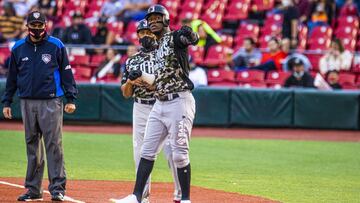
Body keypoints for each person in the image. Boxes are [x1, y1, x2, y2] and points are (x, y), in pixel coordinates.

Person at [112, 4, 199, 203]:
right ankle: (136, 196)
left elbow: (189, 40)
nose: (153, 22)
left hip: (179, 100)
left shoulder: (174, 37)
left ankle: (184, 199)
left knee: (178, 154)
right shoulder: (157, 46)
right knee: (147, 151)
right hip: (159, 103)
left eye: (156, 18)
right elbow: (159, 79)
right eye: (150, 19)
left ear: (166, 19)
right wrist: (140, 75)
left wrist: (191, 35)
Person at [1, 11, 77, 201]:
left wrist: (71, 98)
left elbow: (66, 72)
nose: (36, 28)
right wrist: (7, 101)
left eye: (39, 25)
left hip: (51, 100)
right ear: (27, 26)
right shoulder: (18, 48)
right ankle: (33, 190)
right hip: (27, 100)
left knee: (53, 144)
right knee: (32, 145)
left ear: (45, 26)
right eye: (33, 25)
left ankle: (57, 188)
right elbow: (12, 77)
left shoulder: (56, 45)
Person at [117, 20, 182, 203]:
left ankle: (180, 194)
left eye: (149, 32)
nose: (146, 36)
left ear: (155, 33)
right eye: (142, 32)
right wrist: (130, 82)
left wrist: (147, 82)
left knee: (172, 151)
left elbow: (169, 83)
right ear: (137, 35)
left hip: (162, 103)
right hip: (140, 106)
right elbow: (125, 93)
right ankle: (142, 195)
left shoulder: (163, 56)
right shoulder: (132, 60)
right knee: (140, 151)